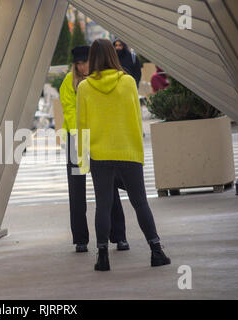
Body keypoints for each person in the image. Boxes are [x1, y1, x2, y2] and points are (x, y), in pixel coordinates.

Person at [76, 39, 171, 271]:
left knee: (103, 205)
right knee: (140, 202)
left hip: (100, 154)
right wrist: (138, 151)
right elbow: (135, 118)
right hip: (128, 151)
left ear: (93, 59)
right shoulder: (128, 82)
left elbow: (82, 126)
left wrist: (82, 159)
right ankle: (156, 251)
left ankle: (102, 257)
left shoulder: (84, 87)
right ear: (113, 55)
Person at [59, 45, 129, 253]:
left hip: (100, 138)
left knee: (108, 188)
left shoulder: (101, 80)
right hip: (75, 140)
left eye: (85, 62)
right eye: (78, 63)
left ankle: (119, 236)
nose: (82, 67)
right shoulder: (67, 83)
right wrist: (83, 139)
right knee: (76, 190)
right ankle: (80, 239)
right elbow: (70, 112)